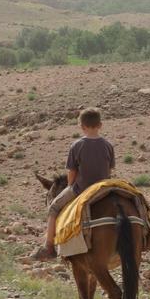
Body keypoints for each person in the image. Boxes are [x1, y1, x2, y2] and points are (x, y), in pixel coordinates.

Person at [33, 108, 115, 261]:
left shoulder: (77, 145)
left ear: (81, 126)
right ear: (101, 125)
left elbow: (71, 172)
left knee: (54, 207)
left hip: (82, 188)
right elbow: (109, 169)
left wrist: (70, 185)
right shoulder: (108, 145)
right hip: (104, 188)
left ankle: (49, 247)